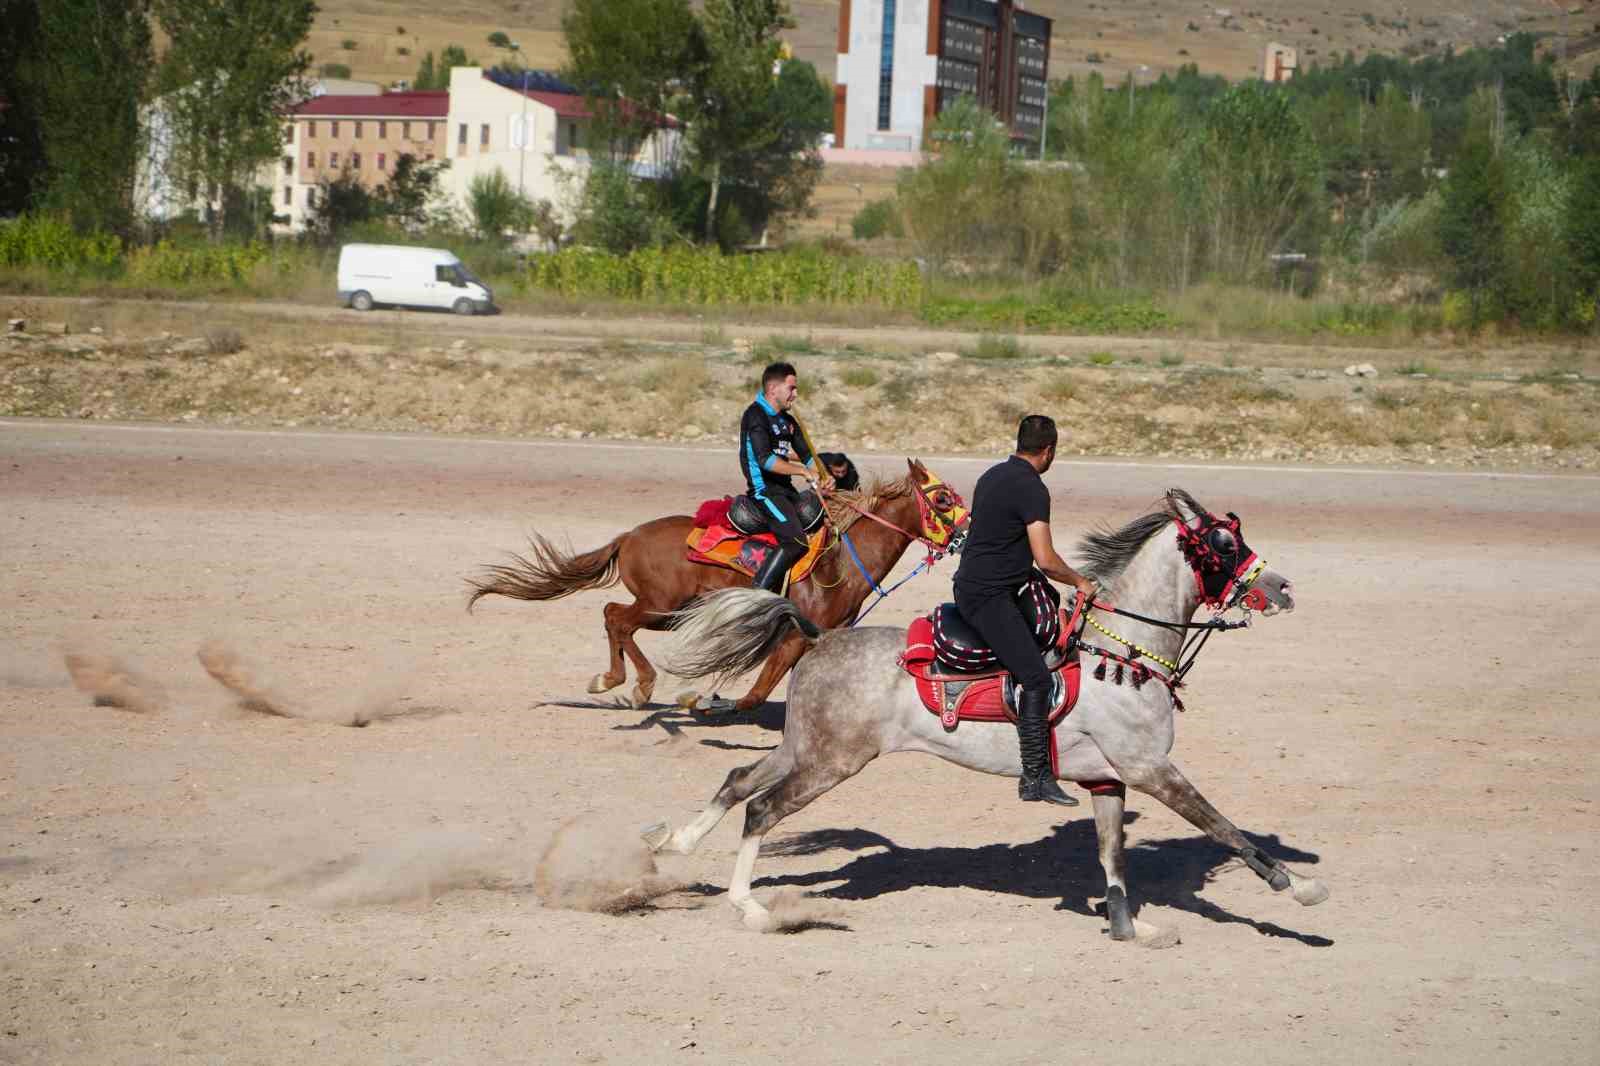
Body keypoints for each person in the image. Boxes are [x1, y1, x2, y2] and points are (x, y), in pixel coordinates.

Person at [952, 414, 1100, 806]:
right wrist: (1080, 582)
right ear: (1049, 450)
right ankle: (1034, 776)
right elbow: (1047, 559)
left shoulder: (991, 476)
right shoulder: (1033, 489)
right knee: (1036, 679)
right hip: (988, 596)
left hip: (982, 584)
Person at [739, 362, 833, 594]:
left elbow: (807, 455)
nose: (796, 394)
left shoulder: (788, 421)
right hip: (765, 493)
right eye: (791, 388)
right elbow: (765, 460)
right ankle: (755, 596)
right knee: (796, 541)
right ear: (773, 389)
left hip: (787, 492)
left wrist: (823, 476)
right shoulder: (755, 415)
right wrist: (803, 471)